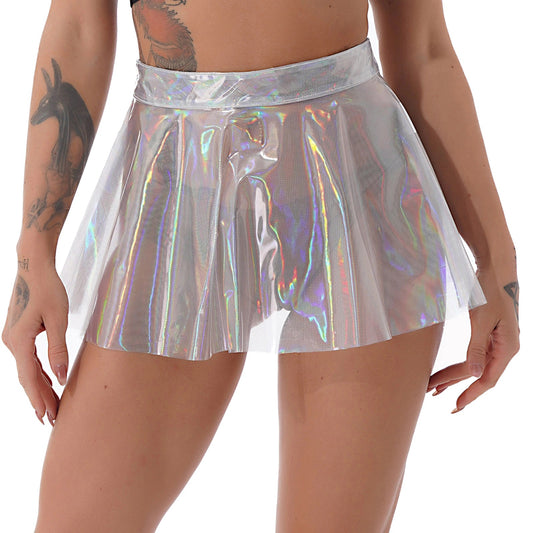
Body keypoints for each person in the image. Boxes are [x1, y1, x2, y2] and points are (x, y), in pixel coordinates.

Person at [1, 0, 520, 531]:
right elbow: (79, 27)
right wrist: (34, 251)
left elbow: (423, 48)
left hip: (358, 191)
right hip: (181, 189)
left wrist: (497, 264)